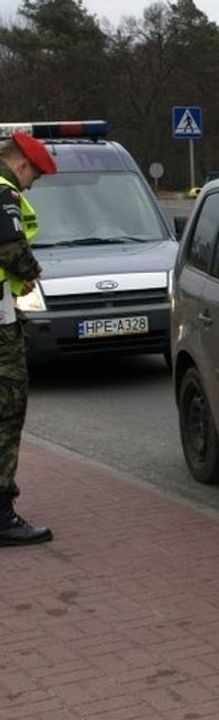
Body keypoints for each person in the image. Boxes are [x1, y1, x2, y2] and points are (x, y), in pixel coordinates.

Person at [0, 132, 56, 546]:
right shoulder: (4, 193)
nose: (31, 184)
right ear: (22, 165)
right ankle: (2, 516)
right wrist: (32, 271)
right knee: (7, 411)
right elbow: (10, 249)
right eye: (33, 175)